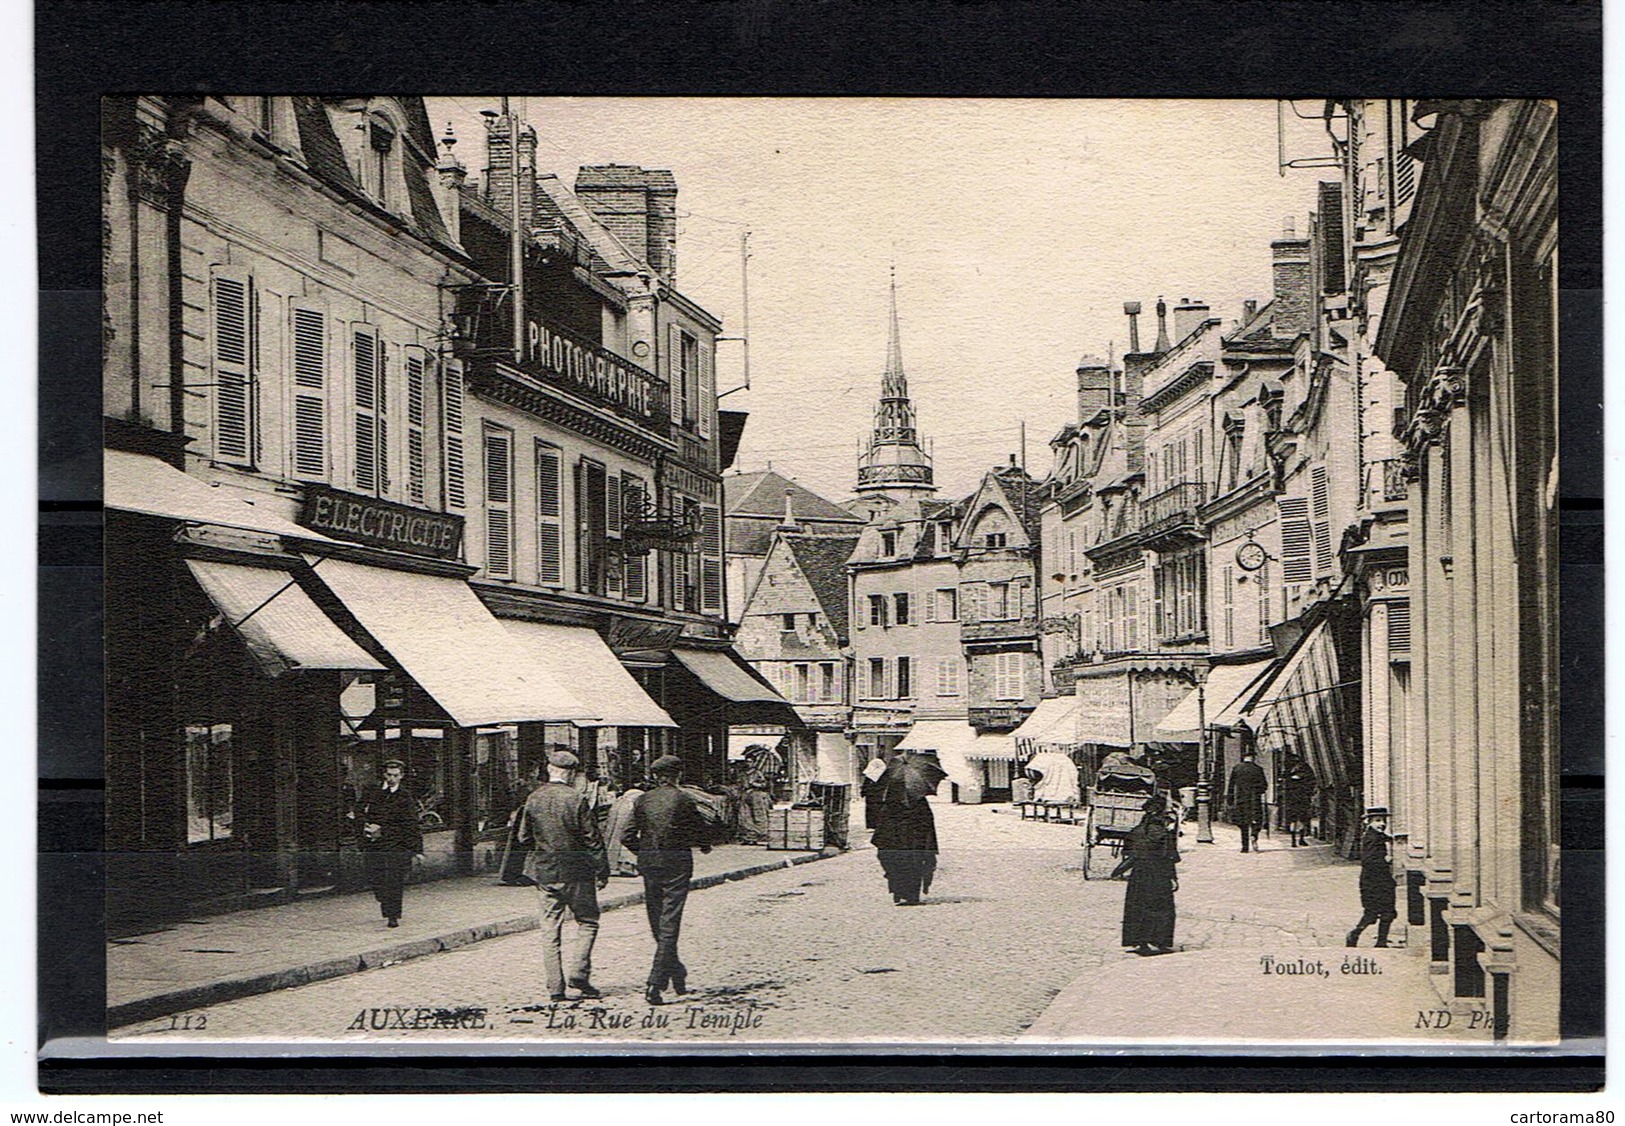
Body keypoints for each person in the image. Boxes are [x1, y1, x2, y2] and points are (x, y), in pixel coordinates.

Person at [518, 748, 610, 1001]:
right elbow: (593, 839)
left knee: (550, 931)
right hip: (577, 873)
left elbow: (523, 837)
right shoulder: (576, 799)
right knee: (588, 921)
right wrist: (602, 871)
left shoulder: (533, 798)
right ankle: (579, 974)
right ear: (570, 774)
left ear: (549, 770)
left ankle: (555, 989)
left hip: (546, 873)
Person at [626, 755, 712, 1006]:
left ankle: (676, 971)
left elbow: (626, 834)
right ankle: (656, 981)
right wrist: (704, 845)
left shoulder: (641, 800)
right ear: (677, 775)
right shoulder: (684, 799)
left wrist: (643, 852)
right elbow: (698, 830)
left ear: (655, 776)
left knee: (657, 920)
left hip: (649, 865)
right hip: (676, 865)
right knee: (670, 922)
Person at [870, 750, 943, 906]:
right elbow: (928, 824)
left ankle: (899, 893)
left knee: (896, 865)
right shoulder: (920, 802)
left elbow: (881, 828)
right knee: (915, 866)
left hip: (894, 844)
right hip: (915, 845)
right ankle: (912, 896)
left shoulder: (889, 803)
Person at [1111, 794, 1181, 955]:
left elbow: (1127, 853)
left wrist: (1119, 870)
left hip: (1139, 874)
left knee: (1137, 906)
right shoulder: (1164, 833)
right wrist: (1173, 878)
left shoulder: (1136, 831)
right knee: (1161, 908)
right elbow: (1170, 857)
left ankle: (1139, 942)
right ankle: (1160, 941)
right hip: (1159, 874)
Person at [360, 759, 423, 929]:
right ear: (384, 774)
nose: (392, 779)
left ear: (401, 776)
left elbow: (411, 824)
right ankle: (383, 898)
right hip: (375, 844)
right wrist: (366, 826)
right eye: (389, 775)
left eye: (395, 775)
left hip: (397, 845)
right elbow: (361, 812)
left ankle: (392, 915)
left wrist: (417, 849)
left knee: (394, 880)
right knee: (375, 877)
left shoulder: (405, 796)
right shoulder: (373, 793)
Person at [1346, 808, 1397, 948]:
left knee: (1387, 913)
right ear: (1369, 822)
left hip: (1380, 881)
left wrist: (1392, 839)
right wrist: (1385, 860)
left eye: (1384, 820)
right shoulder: (1371, 838)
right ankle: (1354, 934)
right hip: (1373, 882)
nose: (1382, 824)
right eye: (1378, 821)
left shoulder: (1375, 835)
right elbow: (1367, 861)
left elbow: (1384, 837)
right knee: (1373, 913)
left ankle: (1381, 942)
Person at [1226, 749, 1269, 853]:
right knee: (1256, 819)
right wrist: (1259, 791)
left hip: (1241, 799)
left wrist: (1230, 798)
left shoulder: (1237, 768)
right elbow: (1264, 785)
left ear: (1243, 758)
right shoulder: (1258, 769)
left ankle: (1244, 847)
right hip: (1255, 799)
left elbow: (1231, 785)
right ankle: (1254, 835)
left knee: (1243, 823)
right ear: (1253, 758)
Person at [604, 779, 646, 877]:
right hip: (628, 818)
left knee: (614, 837)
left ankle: (613, 865)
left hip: (617, 819)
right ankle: (626, 865)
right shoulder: (639, 798)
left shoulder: (619, 800)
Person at [1280, 756, 1315, 847]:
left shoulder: (1288, 774)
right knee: (1302, 819)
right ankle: (1300, 839)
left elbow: (1284, 785)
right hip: (1302, 799)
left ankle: (1294, 840)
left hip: (1292, 799)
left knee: (1294, 819)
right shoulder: (1307, 773)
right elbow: (1312, 784)